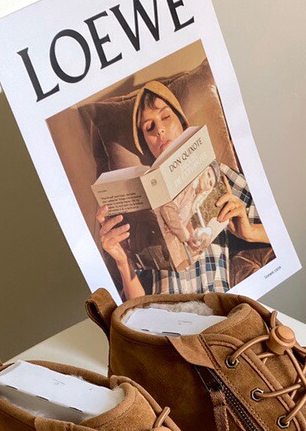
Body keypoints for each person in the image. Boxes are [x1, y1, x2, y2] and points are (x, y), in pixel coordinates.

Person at [95, 80, 270, 299]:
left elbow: (280, 235)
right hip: (164, 312)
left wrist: (250, 232)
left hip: (216, 303)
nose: (159, 129)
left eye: (165, 117)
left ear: (182, 121)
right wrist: (122, 262)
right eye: (149, 127)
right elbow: (138, 305)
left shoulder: (216, 172)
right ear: (145, 143)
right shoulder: (142, 199)